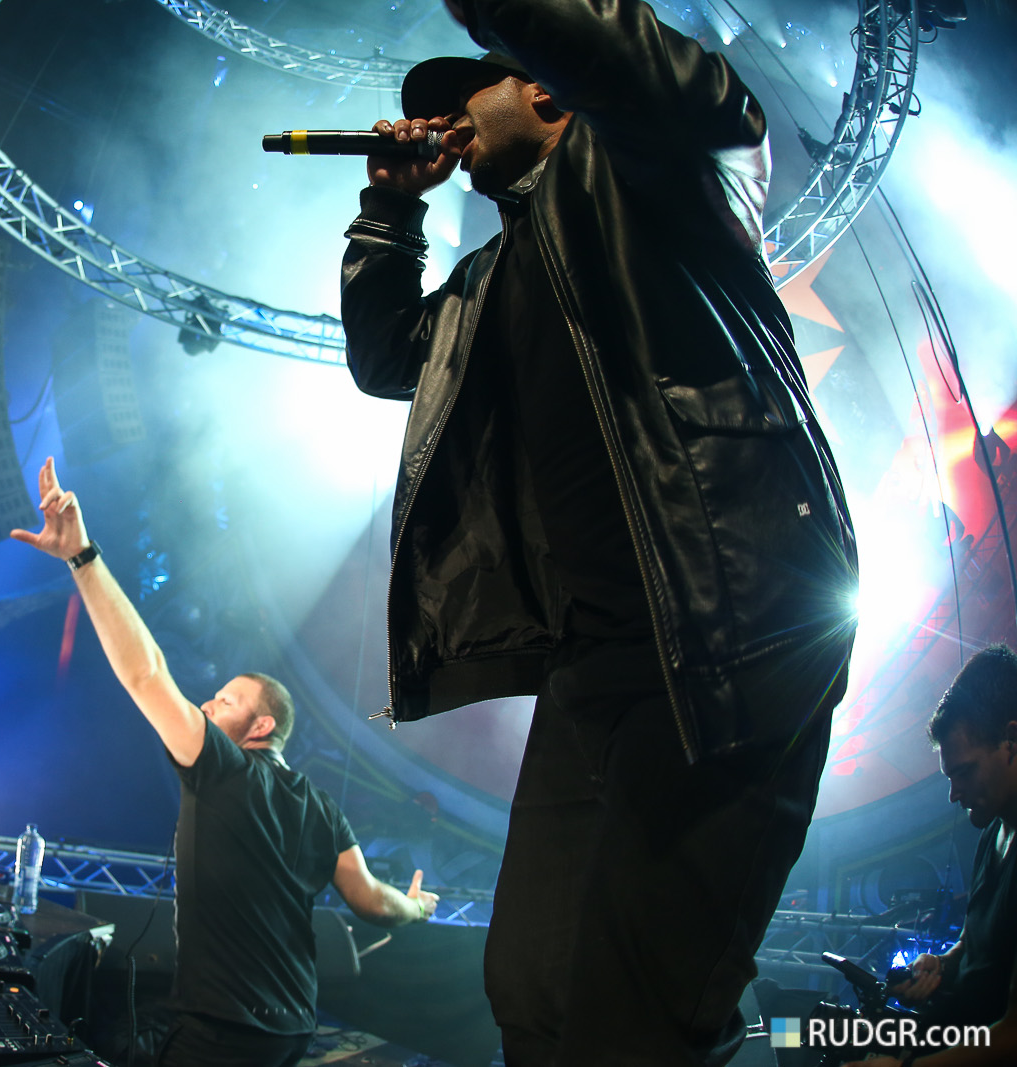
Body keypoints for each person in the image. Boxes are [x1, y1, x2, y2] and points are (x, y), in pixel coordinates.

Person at [339, 1, 859, 1064]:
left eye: (466, 95)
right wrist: (390, 209)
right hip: (597, 658)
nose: (444, 122)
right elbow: (387, 358)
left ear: (546, 86)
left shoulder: (662, 171)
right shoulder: (492, 278)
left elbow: (629, 62)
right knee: (528, 985)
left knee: (638, 1002)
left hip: (731, 626)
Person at [11, 457, 438, 1067]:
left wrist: (82, 556)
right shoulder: (322, 810)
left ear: (261, 726)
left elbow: (146, 672)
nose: (208, 705)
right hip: (293, 1031)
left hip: (223, 1034)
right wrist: (417, 907)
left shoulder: (226, 768)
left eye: (226, 701)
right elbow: (370, 899)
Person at [837, 646, 1017, 1067]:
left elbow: (1013, 1037)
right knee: (803, 1029)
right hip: (945, 1031)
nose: (954, 794)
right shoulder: (993, 832)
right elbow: (977, 945)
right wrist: (941, 964)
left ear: (1012, 741)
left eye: (964, 771)